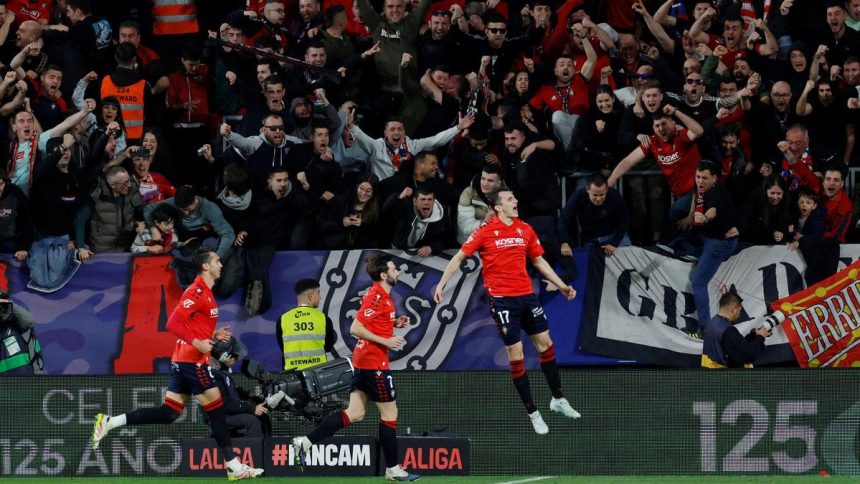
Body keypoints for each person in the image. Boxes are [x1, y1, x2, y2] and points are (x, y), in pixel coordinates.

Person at [90, 249, 264, 480]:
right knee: (217, 410)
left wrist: (212, 333)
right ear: (205, 266)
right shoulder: (196, 290)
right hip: (192, 360)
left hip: (185, 359)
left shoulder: (207, 292)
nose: (221, 264)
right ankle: (234, 466)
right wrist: (198, 343)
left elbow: (193, 324)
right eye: (217, 261)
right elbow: (173, 323)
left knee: (170, 413)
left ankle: (110, 422)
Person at [434, 185, 581, 435]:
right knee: (516, 353)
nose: (515, 201)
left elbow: (539, 261)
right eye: (510, 198)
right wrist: (441, 284)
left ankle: (557, 399)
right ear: (497, 207)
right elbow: (459, 257)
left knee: (545, 344)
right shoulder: (485, 232)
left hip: (527, 296)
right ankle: (532, 412)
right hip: (502, 301)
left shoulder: (525, 229)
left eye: (514, 197)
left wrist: (562, 285)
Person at [292, 254, 420, 482]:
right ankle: (393, 469)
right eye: (394, 269)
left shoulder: (382, 298)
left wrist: (394, 323)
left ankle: (305, 442)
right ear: (384, 275)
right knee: (390, 414)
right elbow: (355, 328)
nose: (397, 272)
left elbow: (373, 323)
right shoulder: (377, 297)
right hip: (373, 364)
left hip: (363, 362)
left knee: (356, 413)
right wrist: (387, 341)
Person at [210, 336, 276, 438]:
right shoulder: (213, 375)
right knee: (252, 421)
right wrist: (252, 408)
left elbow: (232, 390)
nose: (236, 360)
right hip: (221, 416)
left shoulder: (222, 371)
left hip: (229, 412)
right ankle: (255, 452)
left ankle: (266, 449)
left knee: (262, 416)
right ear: (224, 357)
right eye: (235, 357)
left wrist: (251, 397)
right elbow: (226, 404)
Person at [701, 288, 771, 368]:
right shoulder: (728, 331)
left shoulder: (712, 322)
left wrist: (753, 335)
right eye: (740, 310)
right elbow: (747, 354)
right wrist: (761, 337)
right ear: (734, 310)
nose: (739, 314)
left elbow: (734, 346)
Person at [278, 278, 336, 370]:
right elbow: (328, 347)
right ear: (310, 296)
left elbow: (283, 347)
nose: (320, 297)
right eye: (318, 293)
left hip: (292, 375)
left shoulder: (282, 319)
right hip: (318, 372)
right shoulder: (323, 318)